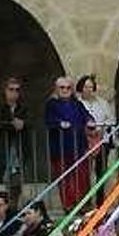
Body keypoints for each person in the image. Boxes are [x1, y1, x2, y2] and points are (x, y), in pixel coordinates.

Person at [45, 76, 95, 208]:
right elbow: (49, 121)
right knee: (65, 179)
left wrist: (90, 121)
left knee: (83, 177)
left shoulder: (77, 104)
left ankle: (84, 204)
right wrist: (60, 124)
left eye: (68, 88)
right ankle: (69, 205)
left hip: (78, 146)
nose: (65, 90)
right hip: (60, 148)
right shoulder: (51, 104)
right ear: (56, 89)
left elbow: (87, 116)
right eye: (62, 87)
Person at [77, 74, 117, 207]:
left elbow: (110, 120)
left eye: (91, 87)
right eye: (85, 87)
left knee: (101, 172)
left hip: (101, 141)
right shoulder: (77, 103)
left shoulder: (103, 103)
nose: (88, 90)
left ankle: (100, 203)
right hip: (83, 142)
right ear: (81, 88)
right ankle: (86, 203)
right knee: (84, 174)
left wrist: (101, 129)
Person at [0, 77, 28, 205]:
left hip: (19, 147)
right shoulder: (0, 107)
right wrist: (12, 124)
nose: (14, 93)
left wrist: (23, 124)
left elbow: (30, 122)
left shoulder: (23, 108)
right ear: (5, 91)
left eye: (17, 90)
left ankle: (13, 205)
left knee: (17, 180)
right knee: (6, 179)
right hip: (4, 147)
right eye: (11, 89)